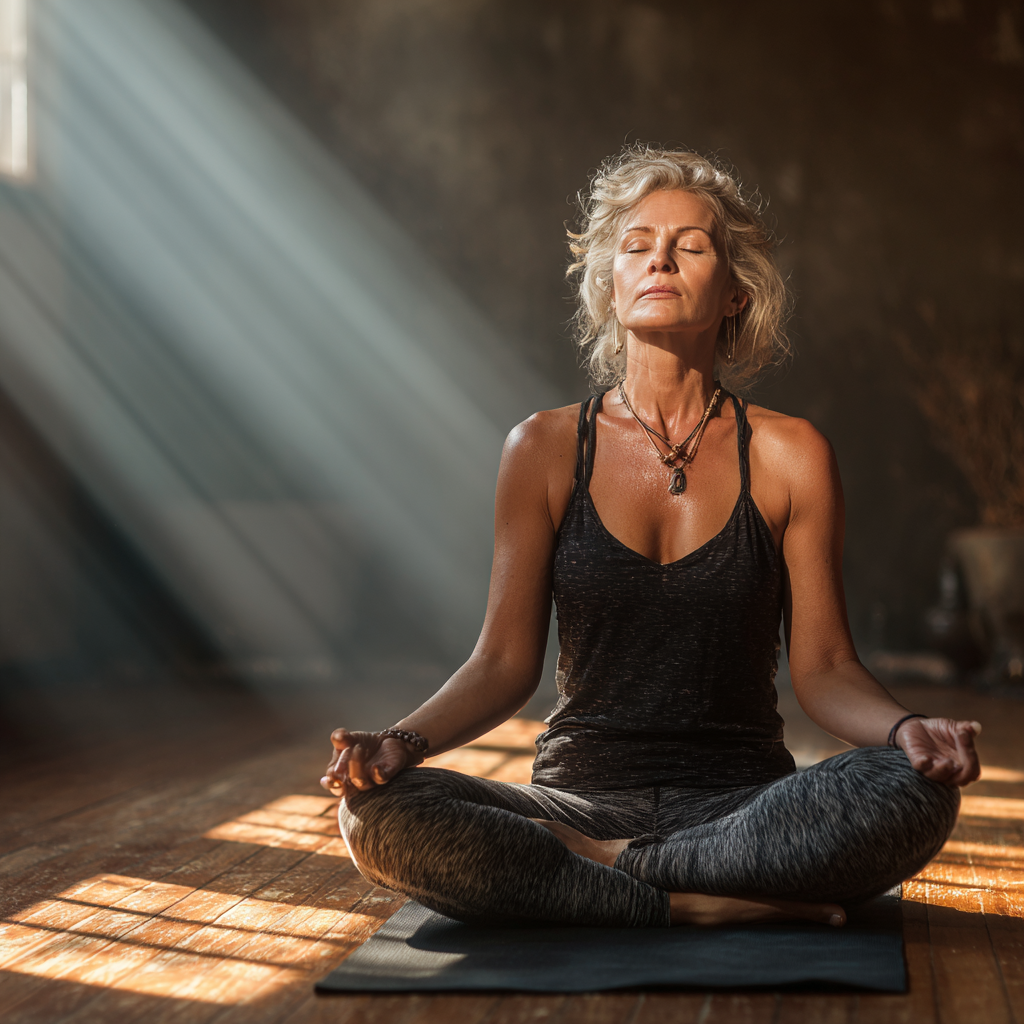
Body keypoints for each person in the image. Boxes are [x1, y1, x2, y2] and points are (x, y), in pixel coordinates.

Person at [321, 145, 979, 929]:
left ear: (735, 293)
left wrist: (911, 731)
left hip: (742, 807)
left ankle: (608, 876)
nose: (659, 258)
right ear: (610, 284)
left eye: (690, 245)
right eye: (636, 245)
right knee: (376, 812)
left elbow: (828, 668)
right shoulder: (543, 448)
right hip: (574, 797)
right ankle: (693, 899)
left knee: (909, 790)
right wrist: (401, 743)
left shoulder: (790, 454)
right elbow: (501, 664)